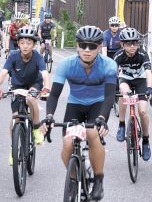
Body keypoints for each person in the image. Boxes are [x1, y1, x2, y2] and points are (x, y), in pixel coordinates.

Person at [41, 25, 117, 201]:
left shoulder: (109, 65)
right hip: (75, 105)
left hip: (98, 105)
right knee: (68, 145)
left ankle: (98, 180)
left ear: (99, 47)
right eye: (83, 45)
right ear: (77, 46)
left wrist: (101, 118)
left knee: (91, 132)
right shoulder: (67, 65)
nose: (87, 50)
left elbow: (109, 97)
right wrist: (50, 116)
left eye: (92, 46)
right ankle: (74, 178)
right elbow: (54, 95)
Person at [0, 27, 51, 165]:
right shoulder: (13, 55)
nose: (25, 46)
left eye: (29, 43)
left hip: (34, 84)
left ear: (34, 45)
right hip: (17, 87)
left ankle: (36, 129)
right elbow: (4, 72)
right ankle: (13, 148)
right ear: (18, 43)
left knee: (30, 99)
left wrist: (46, 88)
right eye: (22, 42)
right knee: (15, 118)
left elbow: (44, 73)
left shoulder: (37, 56)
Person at [113, 27, 152, 160]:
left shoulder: (142, 54)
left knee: (142, 112)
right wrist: (112, 87)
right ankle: (121, 124)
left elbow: (148, 72)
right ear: (122, 44)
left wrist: (149, 88)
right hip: (126, 79)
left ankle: (146, 141)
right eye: (129, 43)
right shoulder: (119, 55)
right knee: (123, 92)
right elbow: (113, 73)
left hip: (141, 80)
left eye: (135, 43)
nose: (132, 46)